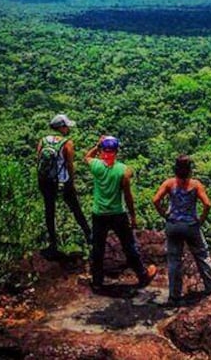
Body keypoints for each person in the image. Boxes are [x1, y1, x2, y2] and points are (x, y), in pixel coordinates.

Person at [84, 135, 157, 290]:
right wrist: (133, 216)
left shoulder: (96, 166)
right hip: (118, 213)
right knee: (128, 245)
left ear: (103, 151)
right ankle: (142, 275)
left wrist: (97, 145)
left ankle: (97, 281)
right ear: (116, 152)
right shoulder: (124, 171)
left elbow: (88, 156)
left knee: (98, 248)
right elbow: (128, 196)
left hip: (99, 213)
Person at [152, 155, 211, 306]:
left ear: (175, 169)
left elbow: (155, 200)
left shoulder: (170, 183)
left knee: (174, 260)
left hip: (174, 225)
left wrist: (165, 215)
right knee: (202, 256)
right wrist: (200, 220)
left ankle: (174, 296)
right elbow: (207, 204)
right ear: (190, 170)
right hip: (190, 225)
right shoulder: (195, 185)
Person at [36, 114, 91, 259]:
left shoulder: (43, 140)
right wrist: (71, 182)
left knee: (49, 210)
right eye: (66, 126)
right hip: (62, 181)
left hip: (45, 181)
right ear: (61, 127)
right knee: (75, 208)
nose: (68, 128)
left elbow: (38, 160)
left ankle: (53, 243)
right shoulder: (67, 143)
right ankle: (89, 236)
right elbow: (69, 165)